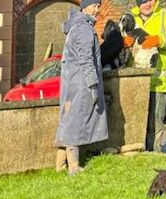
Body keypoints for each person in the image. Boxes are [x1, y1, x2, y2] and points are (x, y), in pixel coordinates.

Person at [55, 0, 108, 176]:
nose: (97, 10)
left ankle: (60, 165)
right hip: (81, 84)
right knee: (75, 123)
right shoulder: (83, 28)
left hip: (74, 82)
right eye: (94, 5)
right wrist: (93, 85)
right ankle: (74, 167)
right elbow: (87, 61)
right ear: (84, 7)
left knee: (68, 120)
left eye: (99, 6)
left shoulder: (76, 26)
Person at [129, 0, 166, 152]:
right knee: (135, 120)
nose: (148, 4)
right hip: (135, 82)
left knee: (155, 121)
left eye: (151, 0)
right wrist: (122, 42)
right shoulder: (130, 17)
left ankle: (154, 153)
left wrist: (159, 39)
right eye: (144, 1)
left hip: (158, 82)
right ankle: (135, 153)